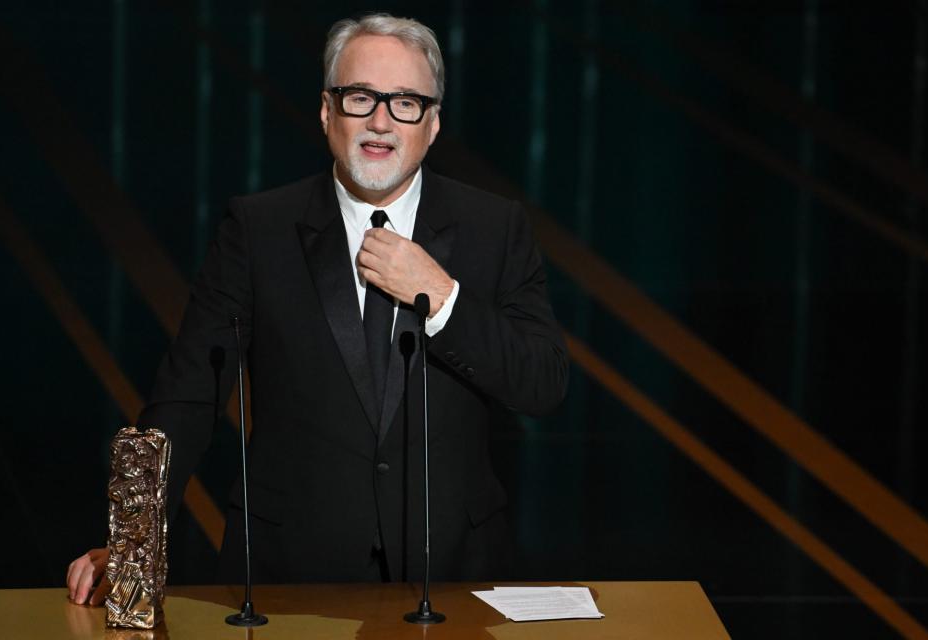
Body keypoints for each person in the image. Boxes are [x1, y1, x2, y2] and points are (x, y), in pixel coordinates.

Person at [68, 12, 567, 604]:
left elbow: (542, 384)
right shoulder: (259, 229)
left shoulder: (495, 227)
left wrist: (443, 299)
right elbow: (190, 393)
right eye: (360, 97)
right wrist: (133, 543)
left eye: (405, 102)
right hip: (290, 576)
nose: (381, 121)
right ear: (328, 111)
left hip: (453, 574)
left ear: (432, 124)